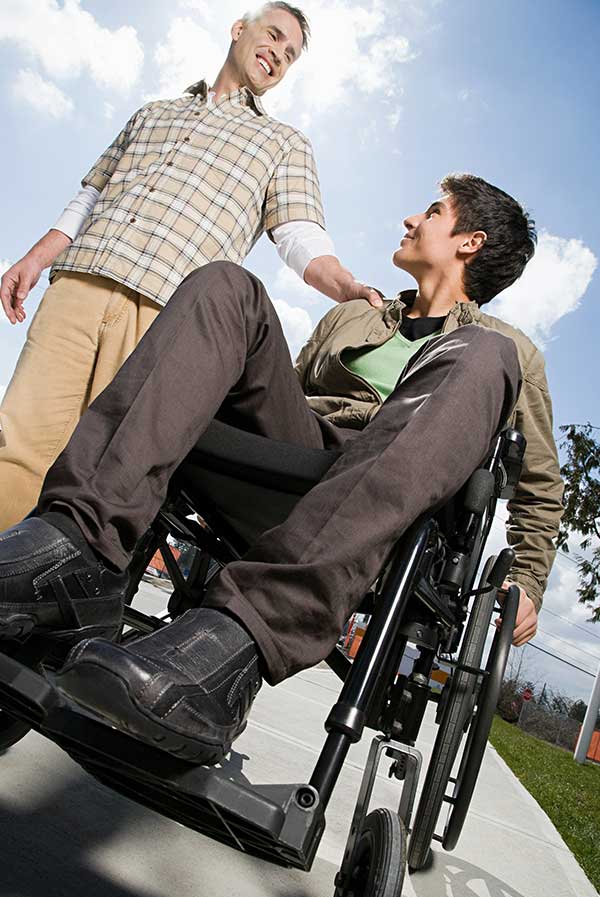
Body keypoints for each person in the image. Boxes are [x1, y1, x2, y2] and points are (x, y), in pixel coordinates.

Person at [0, 174, 563, 766]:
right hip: (301, 463)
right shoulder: (353, 318)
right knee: (226, 283)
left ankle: (238, 639)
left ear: (468, 242)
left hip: (393, 493)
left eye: (432, 211)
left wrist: (525, 579)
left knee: (483, 356)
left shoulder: (506, 352)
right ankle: (74, 556)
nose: (409, 220)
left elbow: (541, 485)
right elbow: (282, 397)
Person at [0, 1, 381, 531]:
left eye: (290, 55)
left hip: (164, 315)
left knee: (106, 469)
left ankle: (56, 599)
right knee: (17, 446)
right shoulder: (152, 112)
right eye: (273, 37)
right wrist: (36, 258)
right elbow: (89, 196)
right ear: (239, 30)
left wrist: (341, 282)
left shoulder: (282, 143)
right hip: (84, 280)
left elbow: (298, 231)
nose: (278, 54)